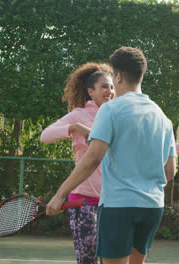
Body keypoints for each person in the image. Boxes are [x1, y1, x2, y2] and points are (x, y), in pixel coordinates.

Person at [46, 47, 179, 264]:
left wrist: (60, 194)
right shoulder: (163, 118)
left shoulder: (110, 110)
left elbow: (94, 157)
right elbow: (170, 172)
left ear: (118, 76)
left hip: (119, 207)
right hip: (153, 208)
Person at [40, 62, 114, 264]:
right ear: (91, 91)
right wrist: (75, 127)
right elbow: (45, 136)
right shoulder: (78, 115)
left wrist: (177, 148)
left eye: (112, 86)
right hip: (83, 202)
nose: (110, 91)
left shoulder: (117, 115)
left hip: (114, 202)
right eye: (105, 87)